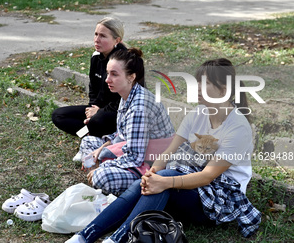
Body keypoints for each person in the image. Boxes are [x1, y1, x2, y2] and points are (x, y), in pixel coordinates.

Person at [65, 58, 261, 243]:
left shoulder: (238, 128)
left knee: (162, 182)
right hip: (192, 182)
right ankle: (83, 236)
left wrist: (163, 180)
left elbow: (207, 176)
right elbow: (168, 152)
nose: (197, 88)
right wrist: (151, 174)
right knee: (150, 182)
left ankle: (117, 239)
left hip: (222, 197)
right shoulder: (198, 114)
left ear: (224, 90)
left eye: (205, 83)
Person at [77, 48, 175, 196]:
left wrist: (103, 164)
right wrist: (102, 148)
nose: (107, 79)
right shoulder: (127, 94)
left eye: (114, 74)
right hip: (133, 151)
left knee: (102, 176)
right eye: (108, 72)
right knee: (88, 142)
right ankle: (98, 173)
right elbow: (121, 134)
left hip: (150, 165)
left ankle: (99, 176)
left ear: (131, 77)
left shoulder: (139, 107)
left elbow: (135, 157)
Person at [52, 17, 126, 140]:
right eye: (96, 34)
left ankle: (95, 136)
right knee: (58, 115)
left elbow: (123, 100)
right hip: (99, 111)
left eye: (103, 36)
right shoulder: (96, 57)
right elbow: (93, 88)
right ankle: (90, 137)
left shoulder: (125, 62)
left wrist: (99, 112)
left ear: (116, 40)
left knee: (97, 120)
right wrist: (92, 109)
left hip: (120, 112)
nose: (97, 40)